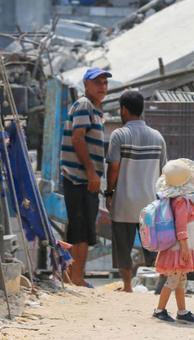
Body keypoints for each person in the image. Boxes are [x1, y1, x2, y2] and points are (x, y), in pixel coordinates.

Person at [105, 90, 167, 293]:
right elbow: (163, 172)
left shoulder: (119, 135)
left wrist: (109, 193)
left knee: (123, 244)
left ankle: (127, 285)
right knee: (154, 243)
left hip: (124, 202)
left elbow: (113, 168)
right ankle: (161, 283)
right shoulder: (158, 137)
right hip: (150, 202)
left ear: (123, 109)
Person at [60, 67, 111, 287]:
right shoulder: (84, 106)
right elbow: (78, 139)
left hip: (85, 180)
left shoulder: (96, 111)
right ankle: (75, 279)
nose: (102, 86)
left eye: (105, 83)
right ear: (86, 85)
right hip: (79, 178)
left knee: (84, 231)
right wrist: (91, 172)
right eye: (97, 82)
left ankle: (75, 277)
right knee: (79, 232)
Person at [152, 158, 194, 324]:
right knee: (173, 279)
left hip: (176, 243)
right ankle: (160, 310)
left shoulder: (171, 199)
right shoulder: (180, 201)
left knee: (180, 279)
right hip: (180, 245)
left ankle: (182, 310)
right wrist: (185, 247)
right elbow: (181, 226)